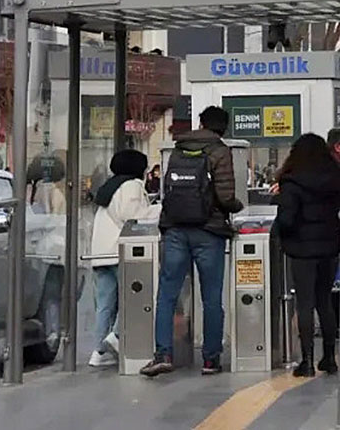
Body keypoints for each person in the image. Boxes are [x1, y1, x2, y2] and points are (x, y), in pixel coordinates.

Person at [141, 106, 243, 378]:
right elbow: (225, 194)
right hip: (208, 230)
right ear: (224, 127)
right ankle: (210, 359)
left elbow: (168, 189)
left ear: (201, 123)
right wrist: (236, 206)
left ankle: (163, 353)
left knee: (167, 294)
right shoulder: (220, 151)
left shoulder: (179, 148)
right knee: (211, 296)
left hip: (175, 228)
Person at [271, 133, 340, 377]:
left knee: (305, 303)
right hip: (329, 248)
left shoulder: (292, 181)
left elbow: (286, 220)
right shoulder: (337, 176)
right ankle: (329, 358)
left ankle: (306, 361)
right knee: (324, 301)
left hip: (301, 250)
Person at [89, 149, 159, 367]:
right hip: (121, 252)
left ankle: (99, 351)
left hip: (101, 253)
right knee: (133, 297)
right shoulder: (131, 186)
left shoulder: (109, 187)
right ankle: (116, 337)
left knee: (105, 305)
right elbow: (134, 217)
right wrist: (158, 209)